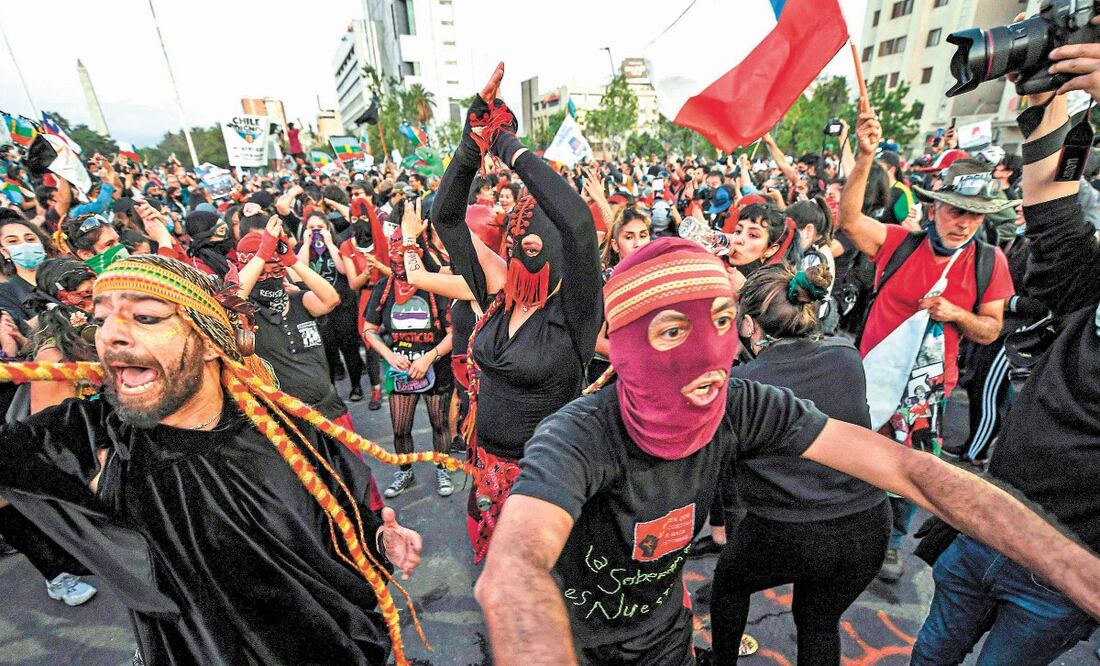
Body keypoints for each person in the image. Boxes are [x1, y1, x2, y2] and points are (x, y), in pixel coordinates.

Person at [474, 236, 1100, 666]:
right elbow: (515, 569)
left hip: (666, 641)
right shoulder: (575, 435)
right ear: (625, 344)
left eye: (722, 320)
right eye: (672, 331)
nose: (709, 355)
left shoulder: (744, 404)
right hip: (577, 645)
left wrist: (1074, 569)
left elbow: (912, 471)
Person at [910, 39, 1100, 665]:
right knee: (929, 657)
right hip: (989, 526)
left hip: (1063, 574)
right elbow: (1050, 203)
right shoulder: (1088, 284)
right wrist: (1047, 98)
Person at [430, 64, 601, 563]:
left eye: (539, 232)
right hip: (485, 470)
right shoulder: (494, 300)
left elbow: (577, 225)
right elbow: (446, 217)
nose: (529, 240)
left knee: (548, 598)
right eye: (521, 229)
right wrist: (472, 144)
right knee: (500, 591)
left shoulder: (575, 314)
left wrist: (505, 145)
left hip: (548, 483)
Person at [839, 109, 1017, 583]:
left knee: (909, 470)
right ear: (935, 207)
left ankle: (894, 544)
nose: (963, 223)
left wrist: (956, 314)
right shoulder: (898, 244)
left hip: (928, 394)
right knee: (854, 460)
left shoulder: (989, 261)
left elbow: (991, 330)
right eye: (956, 210)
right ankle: (846, 530)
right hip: (871, 379)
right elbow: (850, 217)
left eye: (974, 215)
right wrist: (863, 157)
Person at [710, 263, 889, 664]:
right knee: (818, 620)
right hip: (868, 525)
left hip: (788, 530)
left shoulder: (745, 386)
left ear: (749, 326)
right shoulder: (846, 355)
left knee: (729, 585)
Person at [0, 257, 100, 607]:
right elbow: (52, 429)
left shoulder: (88, 331)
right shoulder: (55, 354)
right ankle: (57, 574)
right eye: (84, 296)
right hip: (78, 462)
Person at [364, 211, 454, 498]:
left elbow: (455, 332)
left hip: (434, 367)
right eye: (396, 258)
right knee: (400, 427)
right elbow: (368, 330)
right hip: (400, 369)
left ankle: (443, 468)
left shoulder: (436, 283)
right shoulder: (385, 287)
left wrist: (430, 357)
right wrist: (389, 355)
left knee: (439, 424)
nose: (401, 265)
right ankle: (404, 471)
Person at [300, 212, 366, 401]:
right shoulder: (303, 248)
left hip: (344, 304)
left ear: (328, 228)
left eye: (319, 228)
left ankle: (356, 386)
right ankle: (331, 392)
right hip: (319, 309)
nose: (315, 232)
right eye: (311, 228)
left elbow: (343, 269)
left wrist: (329, 243)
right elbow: (301, 271)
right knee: (326, 351)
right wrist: (306, 244)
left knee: (349, 347)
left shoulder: (339, 245)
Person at [0, 209, 52, 322]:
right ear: (4, 252)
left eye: (30, 239)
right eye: (13, 241)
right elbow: (23, 331)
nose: (24, 244)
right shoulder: (5, 294)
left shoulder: (67, 270)